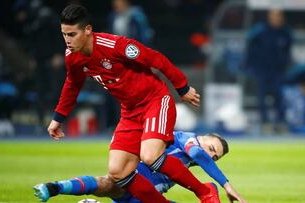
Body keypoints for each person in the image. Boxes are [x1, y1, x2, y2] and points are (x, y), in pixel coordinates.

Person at [46, 4, 218, 203]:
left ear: (88, 30)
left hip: (155, 100)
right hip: (130, 111)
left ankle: (205, 192)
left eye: (72, 34)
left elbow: (157, 59)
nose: (67, 40)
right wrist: (58, 118)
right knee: (118, 172)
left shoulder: (116, 46)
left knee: (150, 156)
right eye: (64, 34)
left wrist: (183, 88)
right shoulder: (73, 57)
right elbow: (72, 85)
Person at [34, 131, 247, 203]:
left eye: (214, 156)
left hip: (143, 196)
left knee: (106, 184)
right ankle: (56, 187)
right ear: (202, 137)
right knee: (107, 183)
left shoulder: (187, 162)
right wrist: (226, 184)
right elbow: (198, 153)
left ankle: (68, 192)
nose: (210, 155)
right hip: (135, 181)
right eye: (211, 148)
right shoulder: (188, 139)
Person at [245, 9, 292, 132]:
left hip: (278, 71)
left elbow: (287, 51)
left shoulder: (285, 32)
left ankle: (281, 123)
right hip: (262, 70)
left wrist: (285, 66)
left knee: (279, 98)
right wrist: (251, 66)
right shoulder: (260, 30)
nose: (277, 18)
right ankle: (265, 123)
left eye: (279, 15)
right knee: (262, 97)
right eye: (274, 15)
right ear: (269, 17)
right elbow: (250, 47)